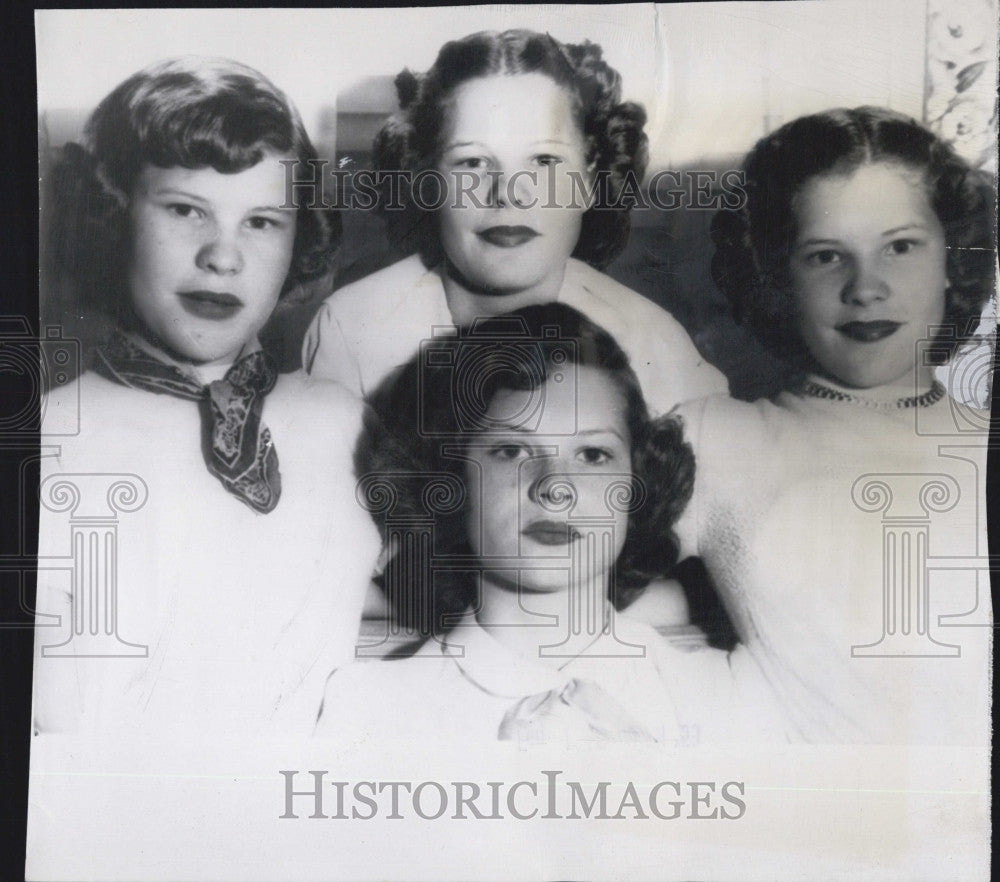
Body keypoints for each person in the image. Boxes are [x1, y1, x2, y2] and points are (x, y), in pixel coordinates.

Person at [34, 57, 380, 734]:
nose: (223, 257)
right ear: (113, 216)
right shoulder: (52, 436)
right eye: (186, 210)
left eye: (262, 222)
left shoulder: (346, 424)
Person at [316, 304, 783, 745]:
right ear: (451, 480)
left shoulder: (725, 702)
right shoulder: (367, 710)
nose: (555, 488)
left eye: (593, 455)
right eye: (511, 452)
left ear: (637, 482)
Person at [674, 106, 994, 744]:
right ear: (775, 277)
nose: (865, 288)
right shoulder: (717, 440)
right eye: (825, 256)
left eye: (900, 247)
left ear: (952, 263)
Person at [302, 29, 726, 417]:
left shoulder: (656, 347)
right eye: (472, 161)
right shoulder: (350, 332)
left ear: (591, 180)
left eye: (543, 161)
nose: (507, 192)